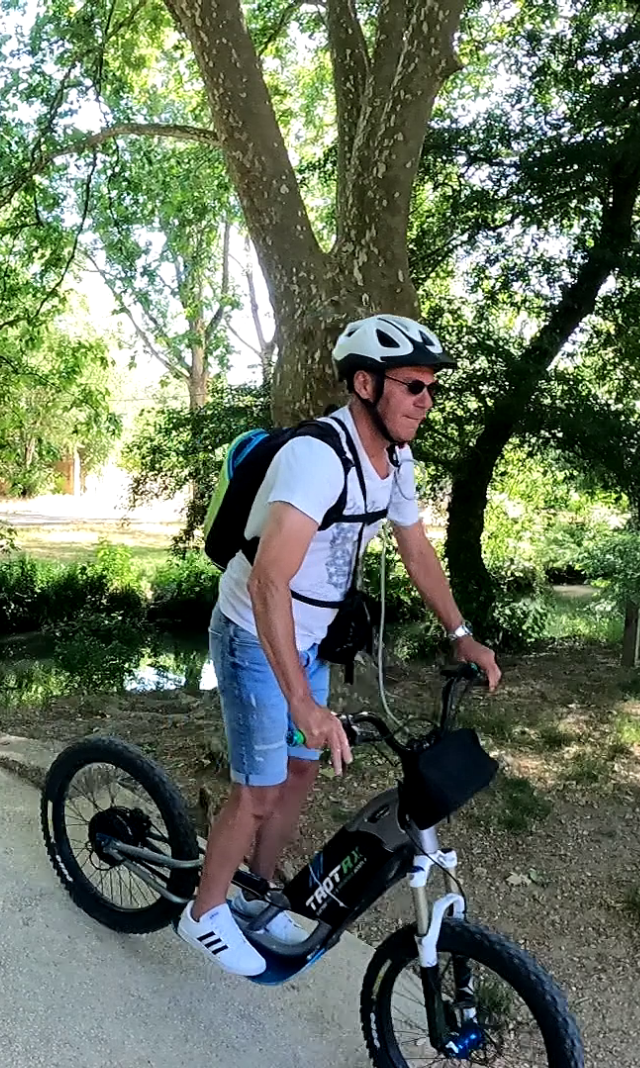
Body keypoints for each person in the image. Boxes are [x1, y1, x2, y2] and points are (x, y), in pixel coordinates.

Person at [178, 314, 504, 976]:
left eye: (431, 387)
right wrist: (302, 702)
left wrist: (461, 634)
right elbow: (268, 582)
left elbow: (416, 548)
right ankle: (204, 913)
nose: (426, 400)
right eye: (413, 385)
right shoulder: (316, 460)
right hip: (253, 636)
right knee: (259, 790)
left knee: (302, 771)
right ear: (364, 383)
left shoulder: (395, 460)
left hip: (310, 640)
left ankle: (255, 891)